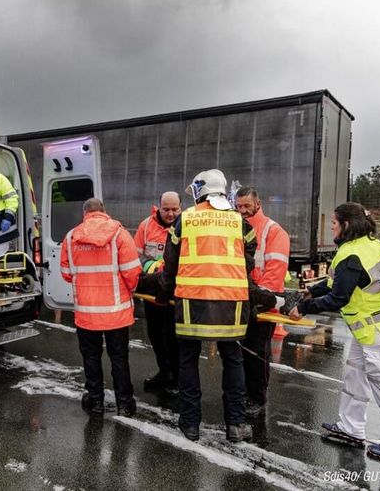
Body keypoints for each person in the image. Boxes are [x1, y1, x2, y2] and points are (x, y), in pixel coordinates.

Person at [289, 202, 380, 463]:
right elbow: (342, 282)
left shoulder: (351, 254)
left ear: (346, 225)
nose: (331, 227)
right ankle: (351, 428)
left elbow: (338, 297)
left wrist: (304, 307)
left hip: (379, 330)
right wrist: (313, 290)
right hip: (371, 329)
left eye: (334, 223)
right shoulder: (371, 245)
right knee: (354, 374)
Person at [153, 169, 269, 443]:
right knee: (233, 361)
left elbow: (170, 266)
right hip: (232, 304)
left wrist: (164, 293)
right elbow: (249, 261)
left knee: (188, 362)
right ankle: (235, 425)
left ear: (200, 190)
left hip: (192, 301)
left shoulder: (185, 220)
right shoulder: (240, 223)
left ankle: (190, 424)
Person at [60, 198, 142, 417]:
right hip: (117, 313)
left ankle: (95, 402)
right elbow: (133, 273)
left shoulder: (70, 238)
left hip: (86, 315)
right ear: (104, 211)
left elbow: (67, 274)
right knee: (119, 358)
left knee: (91, 358)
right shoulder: (120, 234)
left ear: (85, 213)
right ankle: (124, 404)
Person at [235, 186, 291, 417]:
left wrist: (260, 300)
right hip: (242, 299)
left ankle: (257, 398)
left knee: (258, 353)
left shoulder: (273, 231)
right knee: (241, 351)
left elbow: (275, 272)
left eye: (247, 206)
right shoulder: (235, 228)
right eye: (238, 206)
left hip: (262, 301)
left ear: (258, 204)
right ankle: (245, 393)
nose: (242, 211)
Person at [134, 191, 182, 397]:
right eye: (166, 209)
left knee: (174, 339)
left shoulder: (186, 225)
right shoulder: (146, 226)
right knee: (155, 335)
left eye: (174, 209)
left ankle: (178, 379)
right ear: (159, 207)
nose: (170, 214)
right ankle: (164, 372)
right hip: (153, 293)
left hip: (175, 293)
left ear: (181, 207)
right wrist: (151, 268)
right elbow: (135, 256)